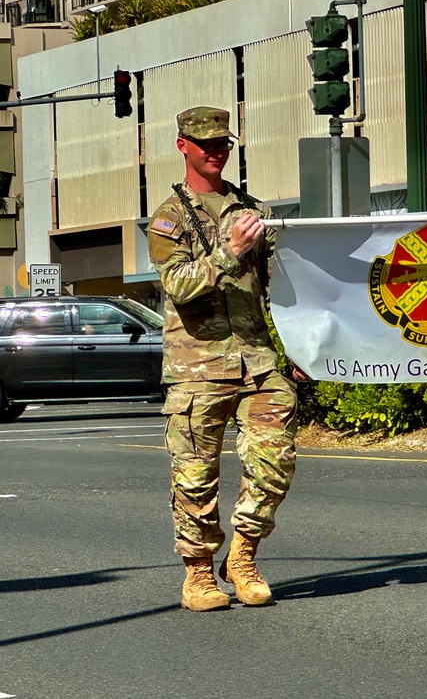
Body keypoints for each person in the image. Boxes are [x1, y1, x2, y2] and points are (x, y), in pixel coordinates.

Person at [148, 106, 305, 611]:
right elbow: (177, 285)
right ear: (183, 146)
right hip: (198, 367)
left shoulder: (251, 209)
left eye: (223, 143)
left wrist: (303, 345)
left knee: (273, 461)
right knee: (195, 476)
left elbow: (283, 285)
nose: (216, 151)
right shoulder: (169, 217)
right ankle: (198, 575)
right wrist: (228, 253)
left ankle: (243, 556)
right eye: (206, 143)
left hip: (256, 360)